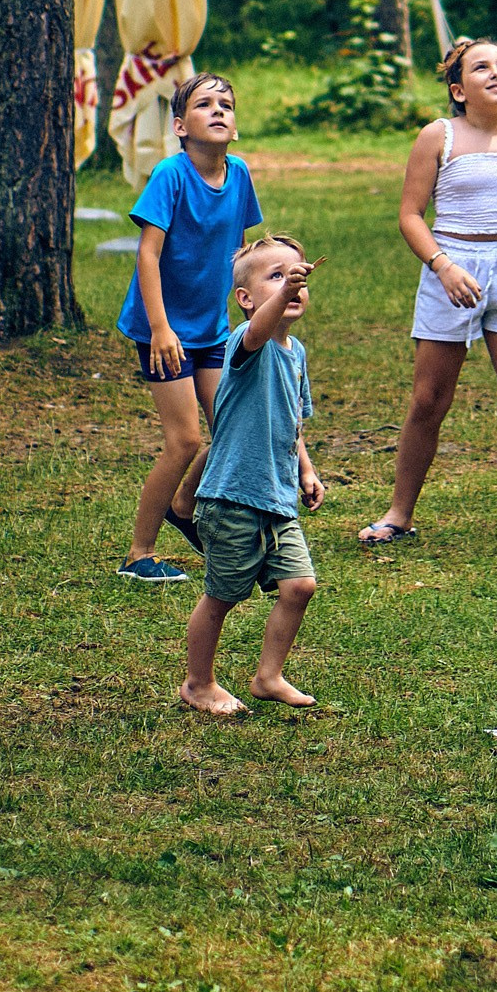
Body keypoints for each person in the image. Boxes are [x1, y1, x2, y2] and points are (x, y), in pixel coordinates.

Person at [358, 36, 497, 560]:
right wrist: (443, 266)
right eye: (483, 67)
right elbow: (410, 215)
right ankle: (399, 513)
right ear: (459, 90)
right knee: (429, 400)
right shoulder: (439, 136)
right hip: (452, 269)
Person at [117, 71, 263, 584]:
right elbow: (148, 255)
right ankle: (139, 553)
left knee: (230, 427)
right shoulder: (170, 176)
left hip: (212, 328)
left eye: (227, 103)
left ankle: (184, 503)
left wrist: (257, 308)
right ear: (180, 126)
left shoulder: (240, 174)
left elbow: (241, 256)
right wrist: (160, 327)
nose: (219, 110)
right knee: (183, 440)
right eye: (205, 105)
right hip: (163, 329)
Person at [180, 237, 324, 719]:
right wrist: (280, 298)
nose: (292, 285)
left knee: (300, 585)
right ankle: (198, 683)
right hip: (233, 497)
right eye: (276, 276)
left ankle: (268, 676)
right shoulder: (245, 343)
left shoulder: (296, 353)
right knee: (222, 596)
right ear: (246, 298)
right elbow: (259, 332)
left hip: (276, 498)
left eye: (296, 274)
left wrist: (305, 470)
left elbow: (293, 421)